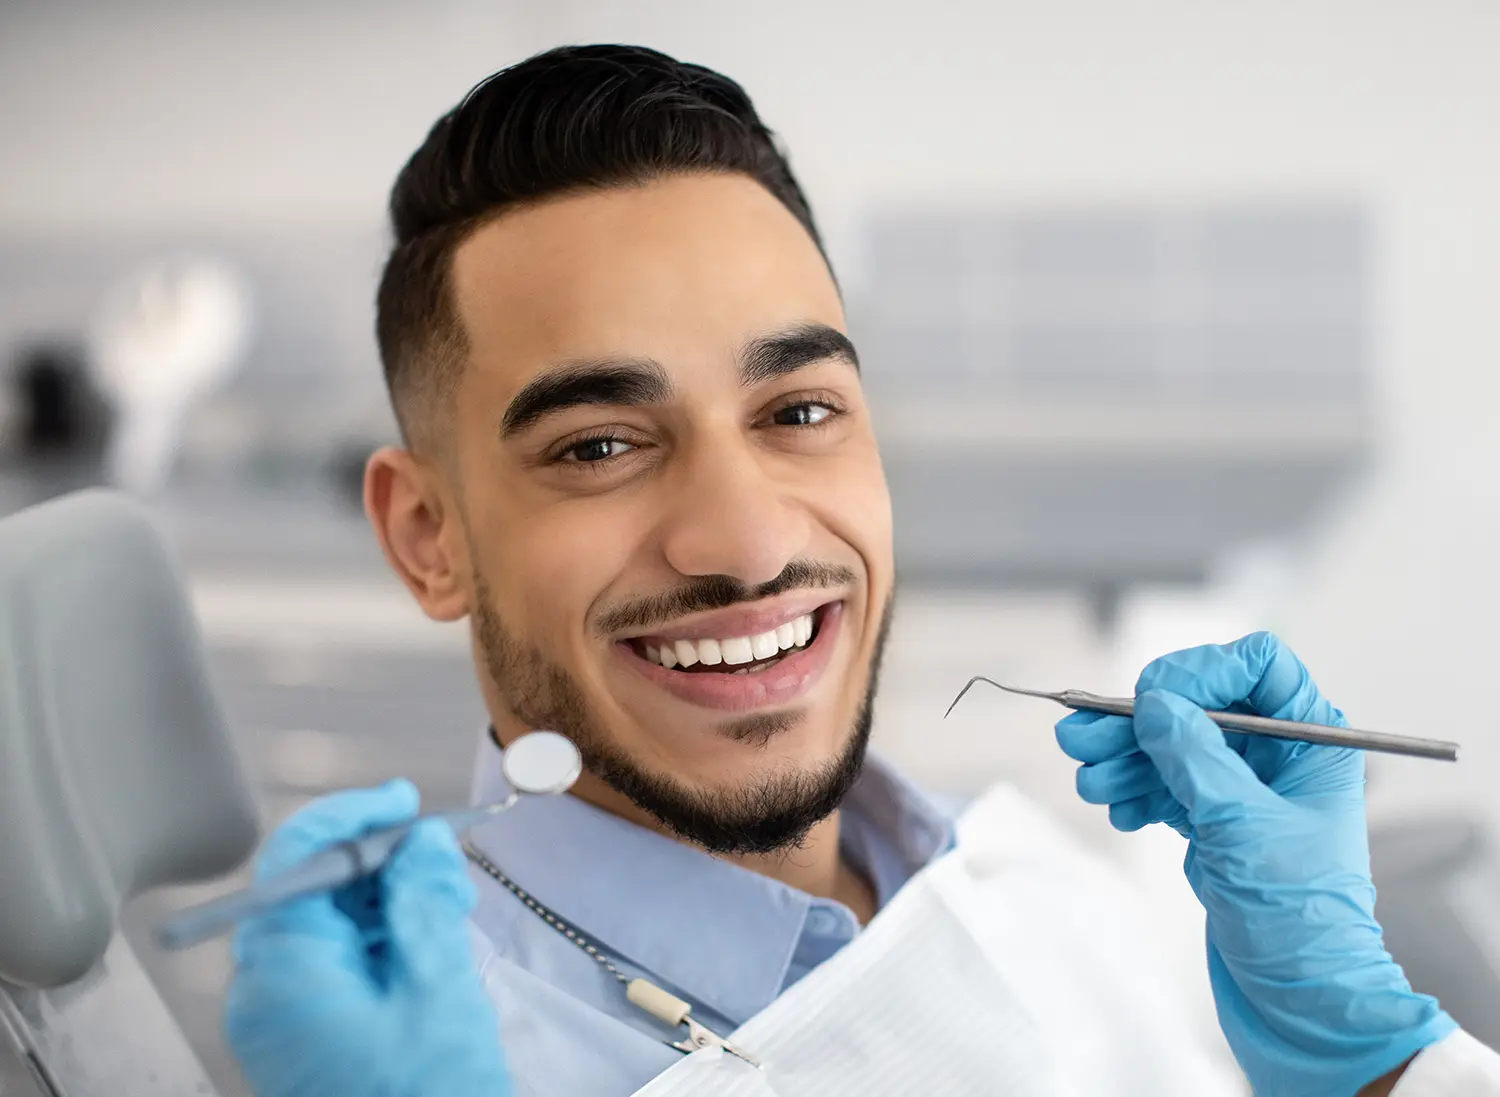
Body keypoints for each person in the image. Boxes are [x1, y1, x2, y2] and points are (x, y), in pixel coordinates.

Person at [221, 45, 1500, 1097]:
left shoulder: (1055, 896)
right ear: (426, 536)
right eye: (601, 443)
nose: (751, 541)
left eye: (798, 410)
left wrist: (1375, 1063)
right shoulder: (436, 1060)